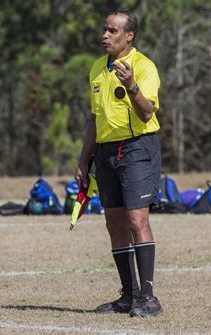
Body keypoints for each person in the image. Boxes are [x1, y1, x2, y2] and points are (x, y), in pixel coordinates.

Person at [75, 10, 162, 317]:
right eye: (105, 29)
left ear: (129, 36)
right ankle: (129, 295)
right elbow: (94, 118)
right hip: (105, 152)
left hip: (137, 148)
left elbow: (147, 113)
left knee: (137, 220)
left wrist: (132, 85)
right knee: (114, 222)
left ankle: (149, 298)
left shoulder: (144, 66)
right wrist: (84, 160)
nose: (105, 35)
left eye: (113, 31)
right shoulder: (97, 69)